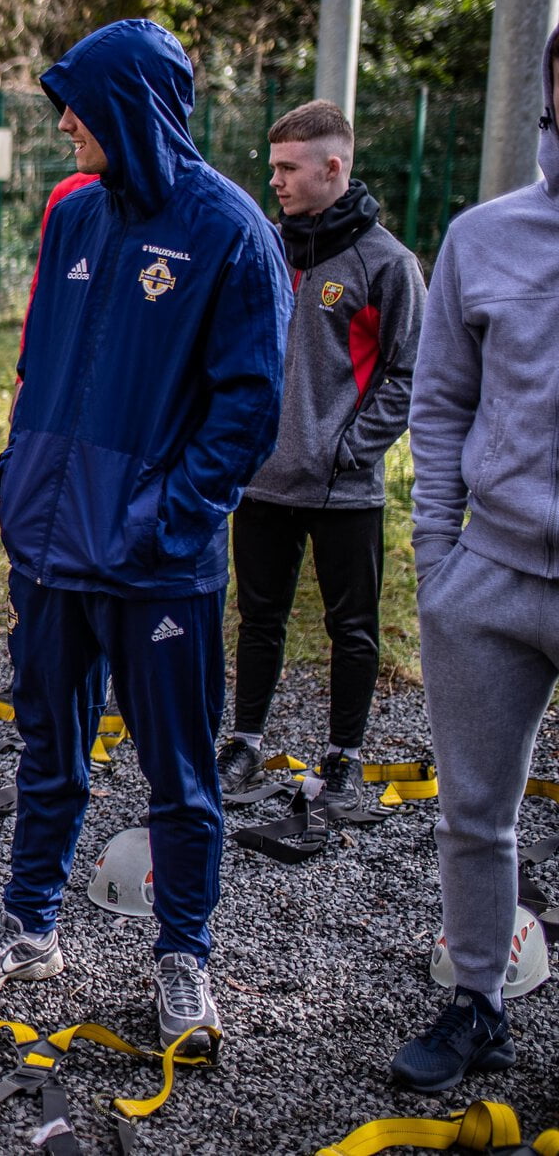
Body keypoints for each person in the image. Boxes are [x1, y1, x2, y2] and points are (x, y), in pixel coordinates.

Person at [0, 20, 289, 1051]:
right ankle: (28, 926)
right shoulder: (73, 216)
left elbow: (245, 411)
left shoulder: (228, 231)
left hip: (151, 564)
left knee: (177, 772)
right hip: (47, 547)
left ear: (128, 103)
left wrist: (158, 522)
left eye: (75, 102)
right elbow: (41, 363)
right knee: (47, 747)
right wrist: (15, 480)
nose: (61, 122)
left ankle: (181, 959)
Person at [392, 20, 559, 1093]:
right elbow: (440, 402)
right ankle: (476, 1007)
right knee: (471, 814)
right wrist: (435, 561)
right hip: (487, 578)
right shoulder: (483, 237)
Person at [218, 100, 425, 807]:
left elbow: (409, 372)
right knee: (258, 618)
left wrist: (348, 450)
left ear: (333, 168)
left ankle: (343, 755)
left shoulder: (388, 264)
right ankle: (243, 742)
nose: (273, 179)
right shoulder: (264, 250)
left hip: (345, 488)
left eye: (287, 167)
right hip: (263, 481)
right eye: (271, 165)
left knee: (352, 628)